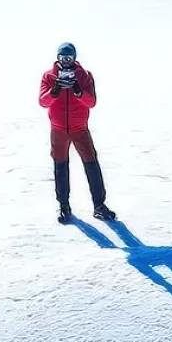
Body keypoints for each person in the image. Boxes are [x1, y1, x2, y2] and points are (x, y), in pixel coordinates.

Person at [39, 41, 115, 225]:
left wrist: (78, 91)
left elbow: (91, 102)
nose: (66, 61)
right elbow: (43, 101)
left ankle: (99, 205)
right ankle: (64, 206)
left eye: (69, 57)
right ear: (58, 58)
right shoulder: (49, 76)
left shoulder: (84, 76)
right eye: (62, 57)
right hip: (58, 130)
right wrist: (55, 91)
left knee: (91, 164)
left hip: (80, 129)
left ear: (74, 58)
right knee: (60, 166)